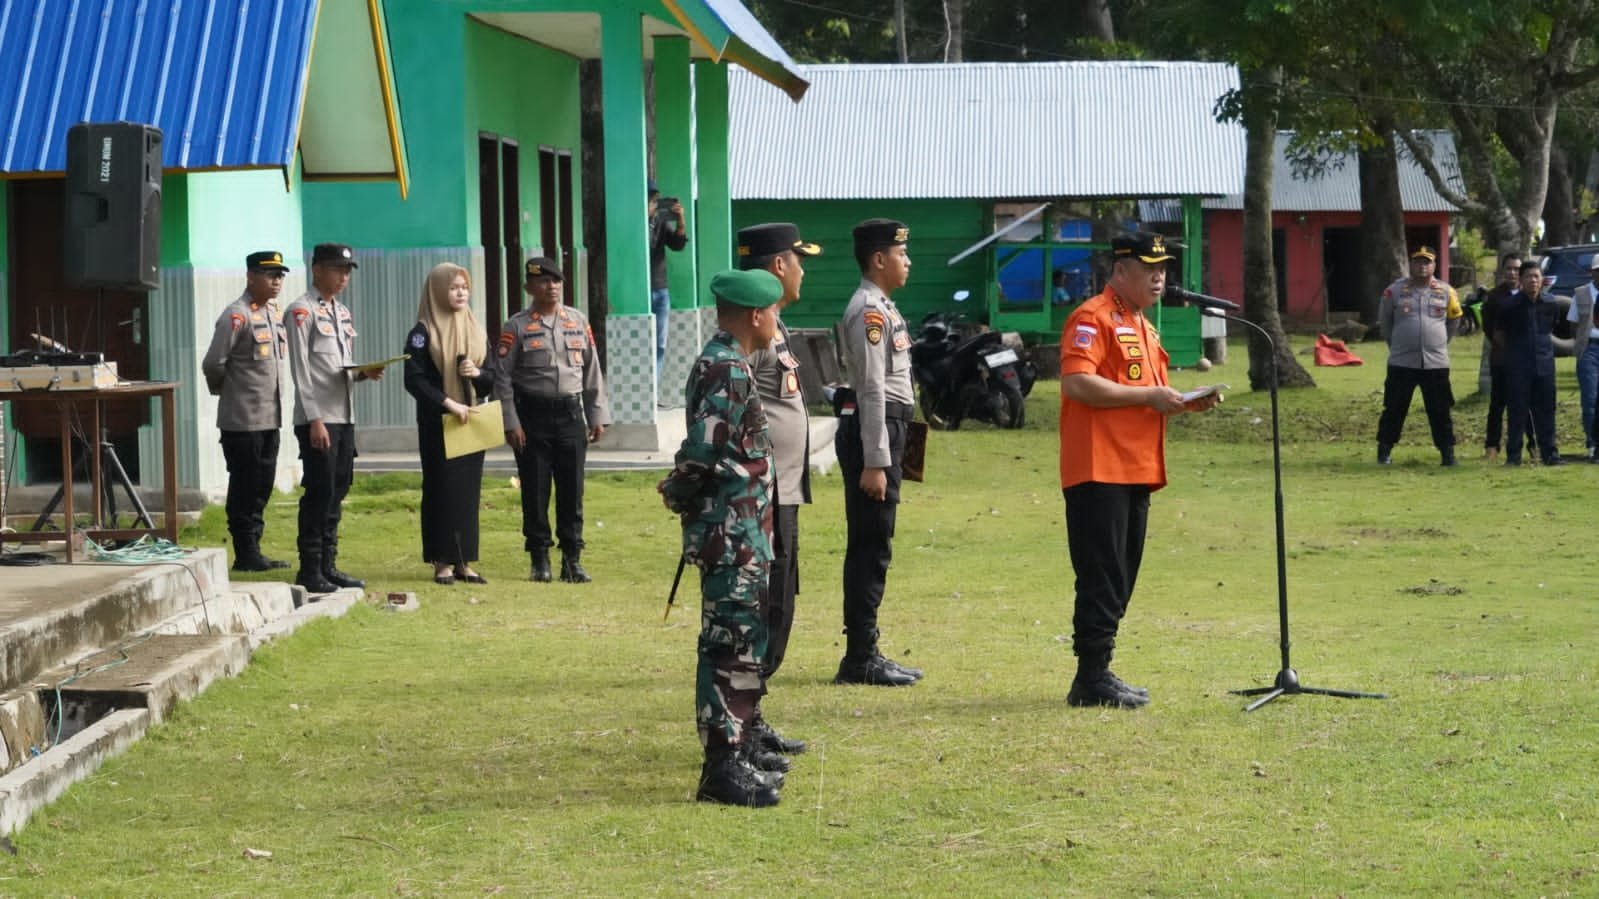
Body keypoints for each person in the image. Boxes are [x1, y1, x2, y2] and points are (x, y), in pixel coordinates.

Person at [1058, 232, 1220, 709]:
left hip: (1135, 466)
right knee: (1101, 573)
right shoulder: (1092, 317)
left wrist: (1182, 403)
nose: (1159, 276)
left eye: (1164, 268)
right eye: (1149, 267)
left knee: (1123, 573)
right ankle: (1090, 677)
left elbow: (1146, 396)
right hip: (1097, 465)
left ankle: (1100, 670)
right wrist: (1148, 397)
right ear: (1120, 268)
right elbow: (1077, 383)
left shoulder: (1144, 326)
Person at [657, 268, 785, 808]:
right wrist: (678, 493)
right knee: (726, 644)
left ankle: (742, 743)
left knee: (744, 641)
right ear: (756, 315)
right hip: (730, 531)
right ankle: (720, 768)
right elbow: (702, 452)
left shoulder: (730, 363)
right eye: (774, 311)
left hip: (744, 530)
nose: (778, 320)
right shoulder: (725, 369)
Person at [738, 222, 821, 758]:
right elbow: (738, 410)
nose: (803, 269)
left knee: (781, 604)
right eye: (798, 258)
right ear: (777, 267)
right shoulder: (755, 337)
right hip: (766, 497)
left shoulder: (777, 329)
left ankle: (754, 715)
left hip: (784, 493)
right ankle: (742, 726)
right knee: (765, 609)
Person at [833, 218, 922, 687]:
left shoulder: (884, 307)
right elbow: (869, 389)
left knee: (877, 542)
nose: (908, 261)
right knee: (870, 544)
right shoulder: (868, 310)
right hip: (875, 429)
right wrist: (875, 459)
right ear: (878, 259)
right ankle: (859, 656)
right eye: (900, 253)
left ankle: (866, 649)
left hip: (888, 428)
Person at [494, 257, 610, 583]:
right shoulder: (516, 326)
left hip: (571, 415)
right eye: (544, 281)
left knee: (572, 490)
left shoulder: (576, 320)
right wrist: (510, 422)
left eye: (557, 280)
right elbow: (502, 379)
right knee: (535, 489)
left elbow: (591, 370)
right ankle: (539, 557)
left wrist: (597, 413)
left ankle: (572, 559)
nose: (552, 286)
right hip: (532, 417)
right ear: (529, 287)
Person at [283, 243, 383, 594]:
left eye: (348, 271)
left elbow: (337, 366)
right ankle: (309, 568)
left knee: (339, 488)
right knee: (320, 490)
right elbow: (301, 370)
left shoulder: (340, 313)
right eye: (338, 270)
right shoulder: (300, 311)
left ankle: (328, 564)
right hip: (318, 418)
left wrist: (362, 373)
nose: (344, 277)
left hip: (344, 415)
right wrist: (314, 419)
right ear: (317, 270)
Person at [402, 263, 496, 585]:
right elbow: (413, 380)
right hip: (438, 423)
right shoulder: (422, 332)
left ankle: (464, 561)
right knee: (441, 489)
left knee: (467, 492)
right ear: (438, 291)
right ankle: (441, 561)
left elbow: (492, 377)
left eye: (464, 287)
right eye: (453, 287)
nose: (460, 293)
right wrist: (448, 402)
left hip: (469, 421)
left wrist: (477, 375)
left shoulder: (476, 329)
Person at [201, 251, 291, 572]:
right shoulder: (235, 316)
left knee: (263, 484)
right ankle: (245, 550)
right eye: (270, 274)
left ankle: (254, 549)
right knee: (245, 485)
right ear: (251, 277)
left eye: (280, 275)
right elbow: (212, 363)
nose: (277, 280)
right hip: (242, 420)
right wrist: (229, 390)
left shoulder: (272, 314)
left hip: (269, 418)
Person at [1375, 246, 1462, 467]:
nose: (1422, 266)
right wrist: (1396, 345)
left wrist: (1440, 342)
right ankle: (1384, 451)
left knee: (1440, 410)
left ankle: (1447, 454)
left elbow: (1454, 320)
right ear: (1410, 264)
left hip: (1436, 363)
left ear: (1434, 266)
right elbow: (1385, 323)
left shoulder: (1446, 291)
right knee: (1394, 408)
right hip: (1402, 362)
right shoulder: (1394, 291)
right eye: (1418, 262)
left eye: (1427, 262)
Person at [1501, 261, 1566, 466]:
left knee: (1547, 411)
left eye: (1537, 276)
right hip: (1518, 366)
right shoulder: (1510, 306)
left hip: (1545, 365)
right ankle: (1514, 456)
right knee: (1517, 412)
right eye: (1529, 276)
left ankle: (1550, 454)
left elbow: (1553, 326)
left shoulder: (1551, 303)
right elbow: (1501, 333)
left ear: (1542, 280)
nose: (1533, 280)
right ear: (1521, 280)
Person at [1482, 252, 1534, 460]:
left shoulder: (1531, 294)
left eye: (1516, 269)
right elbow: (1489, 329)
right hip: (1502, 359)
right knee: (1497, 403)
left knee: (1528, 404)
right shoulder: (1494, 297)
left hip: (1527, 361)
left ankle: (1533, 444)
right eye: (1509, 269)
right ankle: (1492, 445)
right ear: (1503, 272)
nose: (1512, 273)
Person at [648, 181, 688, 387]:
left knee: (660, 343)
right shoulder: (636, 224)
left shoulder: (660, 223)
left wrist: (681, 220)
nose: (654, 204)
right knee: (642, 343)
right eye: (651, 200)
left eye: (656, 200)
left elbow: (678, 244)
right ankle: (643, 389)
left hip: (660, 289)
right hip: (641, 290)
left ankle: (653, 390)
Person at [1566, 257, 1599, 461]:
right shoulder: (1580, 293)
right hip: (1590, 349)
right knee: (1590, 398)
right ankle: (1592, 443)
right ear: (1592, 272)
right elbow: (1573, 326)